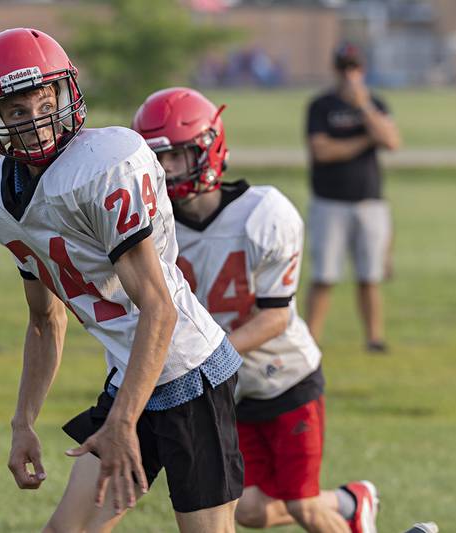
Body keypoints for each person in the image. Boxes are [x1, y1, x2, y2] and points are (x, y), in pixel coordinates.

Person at [0, 29, 243, 532]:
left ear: (64, 93)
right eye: (17, 112)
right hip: (130, 375)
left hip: (187, 369)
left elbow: (158, 307)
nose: (36, 121)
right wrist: (22, 422)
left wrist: (121, 422)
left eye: (43, 100)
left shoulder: (105, 164)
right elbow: (43, 319)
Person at [132, 87, 379, 533]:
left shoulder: (263, 213)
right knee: (246, 510)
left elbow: (276, 316)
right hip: (231, 388)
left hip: (286, 377)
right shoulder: (153, 228)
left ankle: (342, 507)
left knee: (302, 505)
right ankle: (349, 501)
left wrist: (207, 356)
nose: (165, 170)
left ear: (209, 149)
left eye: (177, 155)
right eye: (156, 159)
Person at [304, 42, 401, 353]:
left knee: (370, 276)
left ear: (363, 69)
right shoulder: (321, 106)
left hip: (370, 201)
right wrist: (365, 139)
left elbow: (391, 141)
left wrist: (364, 107)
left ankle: (374, 339)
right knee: (324, 276)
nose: (350, 74)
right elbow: (322, 150)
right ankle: (311, 340)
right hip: (329, 202)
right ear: (336, 69)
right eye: (345, 68)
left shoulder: (376, 103)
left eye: (355, 67)